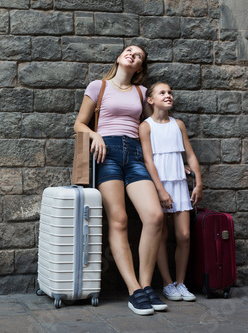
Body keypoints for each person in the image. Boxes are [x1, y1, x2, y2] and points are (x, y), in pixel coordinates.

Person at [74, 45, 166, 316]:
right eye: (129, 51)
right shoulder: (98, 86)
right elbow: (79, 124)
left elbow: (153, 128)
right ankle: (134, 290)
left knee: (154, 217)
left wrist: (177, 161)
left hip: (136, 154)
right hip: (107, 153)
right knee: (119, 220)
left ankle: (147, 286)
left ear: (140, 68)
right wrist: (95, 135)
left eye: (138, 56)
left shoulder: (141, 93)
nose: (132, 55)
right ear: (119, 57)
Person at [139, 82, 203, 302]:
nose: (168, 95)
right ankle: (167, 283)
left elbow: (190, 155)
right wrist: (160, 190)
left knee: (184, 235)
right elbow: (148, 160)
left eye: (170, 92)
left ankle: (180, 282)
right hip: (159, 184)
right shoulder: (146, 126)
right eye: (162, 93)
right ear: (150, 100)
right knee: (161, 234)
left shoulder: (179, 124)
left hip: (178, 182)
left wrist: (198, 182)